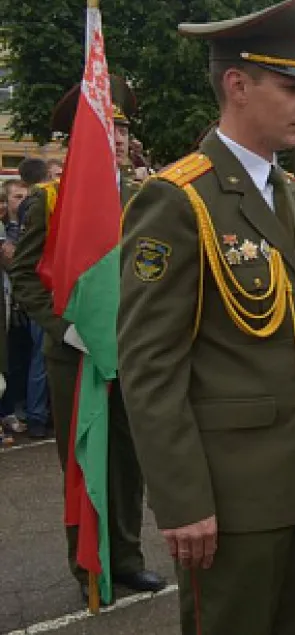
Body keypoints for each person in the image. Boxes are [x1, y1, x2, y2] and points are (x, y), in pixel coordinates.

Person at [116, 0, 295, 631]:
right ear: (237, 86)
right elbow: (150, 366)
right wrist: (182, 499)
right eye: (293, 88)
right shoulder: (177, 199)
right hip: (230, 496)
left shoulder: (290, 197)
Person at [9, 75, 166, 603]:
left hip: (131, 349)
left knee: (129, 457)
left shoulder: (145, 198)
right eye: (106, 129)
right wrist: (64, 329)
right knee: (82, 461)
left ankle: (127, 558)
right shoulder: (50, 200)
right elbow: (27, 275)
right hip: (73, 352)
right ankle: (88, 568)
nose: (117, 138)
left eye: (122, 129)